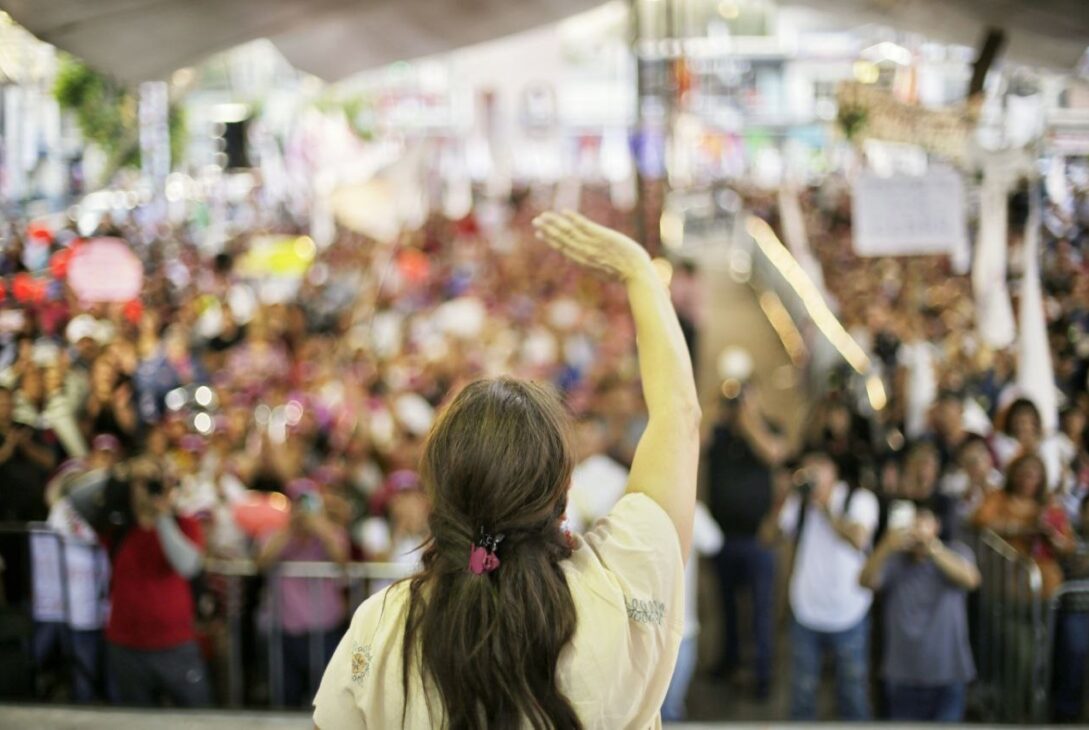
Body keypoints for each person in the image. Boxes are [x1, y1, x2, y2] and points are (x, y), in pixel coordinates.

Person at [313, 210, 700, 729]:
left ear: (440, 495)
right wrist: (639, 272)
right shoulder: (623, 588)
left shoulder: (385, 627)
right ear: (563, 493)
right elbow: (679, 415)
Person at [69, 459, 211, 707]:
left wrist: (162, 515)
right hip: (126, 647)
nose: (148, 488)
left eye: (153, 483)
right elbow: (76, 497)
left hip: (175, 645)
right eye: (142, 484)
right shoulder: (117, 526)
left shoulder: (183, 524)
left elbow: (188, 565)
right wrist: (120, 473)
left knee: (196, 716)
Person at [776, 450, 878, 721]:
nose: (812, 472)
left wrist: (823, 507)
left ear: (834, 471)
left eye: (819, 465)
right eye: (807, 466)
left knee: (853, 694)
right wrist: (782, 495)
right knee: (802, 694)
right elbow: (769, 536)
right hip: (806, 612)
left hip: (849, 613)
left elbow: (858, 539)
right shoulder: (798, 502)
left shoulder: (859, 499)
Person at [859, 506, 980, 721]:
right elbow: (865, 580)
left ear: (937, 525)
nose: (915, 529)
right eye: (911, 522)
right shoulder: (894, 561)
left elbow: (971, 580)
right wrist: (886, 544)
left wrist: (932, 548)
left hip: (949, 674)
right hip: (902, 675)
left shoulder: (957, 552)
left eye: (922, 521)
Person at [706, 387, 787, 698]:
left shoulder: (768, 427)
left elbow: (774, 452)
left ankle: (762, 673)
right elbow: (696, 443)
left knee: (760, 610)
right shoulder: (719, 432)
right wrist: (716, 412)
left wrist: (749, 418)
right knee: (725, 607)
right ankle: (729, 661)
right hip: (722, 536)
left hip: (757, 539)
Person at [257, 481, 349, 707]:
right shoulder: (275, 534)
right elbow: (262, 563)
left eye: (307, 503)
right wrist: (290, 530)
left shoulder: (332, 532)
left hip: (325, 629)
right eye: (297, 503)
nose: (302, 510)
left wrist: (319, 527)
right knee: (285, 696)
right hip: (284, 630)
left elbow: (342, 560)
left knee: (327, 699)